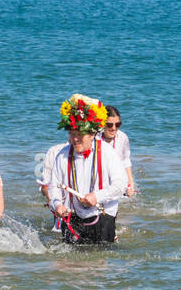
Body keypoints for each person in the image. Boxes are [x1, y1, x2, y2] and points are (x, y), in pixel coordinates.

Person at [46, 94, 127, 245]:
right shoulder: (62, 155)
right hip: (72, 218)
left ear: (92, 134)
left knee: (99, 264)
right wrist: (57, 204)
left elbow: (121, 184)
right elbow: (53, 187)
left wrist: (97, 196)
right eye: (72, 134)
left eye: (79, 135)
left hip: (102, 216)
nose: (75, 139)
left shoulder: (108, 152)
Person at [100, 105, 136, 197]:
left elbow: (126, 161)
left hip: (117, 179)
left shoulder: (123, 137)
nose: (114, 128)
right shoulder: (95, 138)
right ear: (102, 124)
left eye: (117, 124)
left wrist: (130, 183)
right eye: (109, 125)